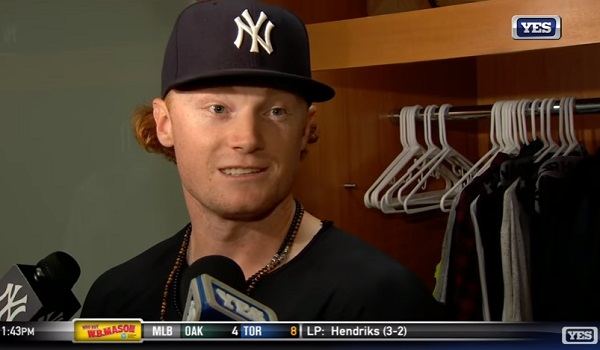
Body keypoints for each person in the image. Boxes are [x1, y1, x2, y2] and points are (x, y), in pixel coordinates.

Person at [81, 0, 446, 321]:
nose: (248, 139)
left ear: (306, 128)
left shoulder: (381, 301)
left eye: (275, 111)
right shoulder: (116, 299)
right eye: (218, 108)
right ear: (165, 124)